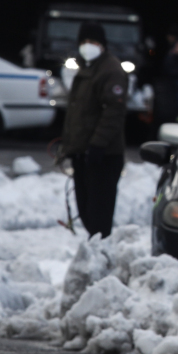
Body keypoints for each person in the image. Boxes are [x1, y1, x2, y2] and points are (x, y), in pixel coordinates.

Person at [61, 22, 127, 238]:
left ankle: (102, 256)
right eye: (84, 42)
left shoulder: (111, 71)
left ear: (103, 45)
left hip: (103, 156)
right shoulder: (86, 69)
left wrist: (97, 144)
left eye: (93, 42)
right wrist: (70, 146)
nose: (88, 46)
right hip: (84, 154)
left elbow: (113, 112)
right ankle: (94, 251)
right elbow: (78, 113)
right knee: (86, 210)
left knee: (99, 214)